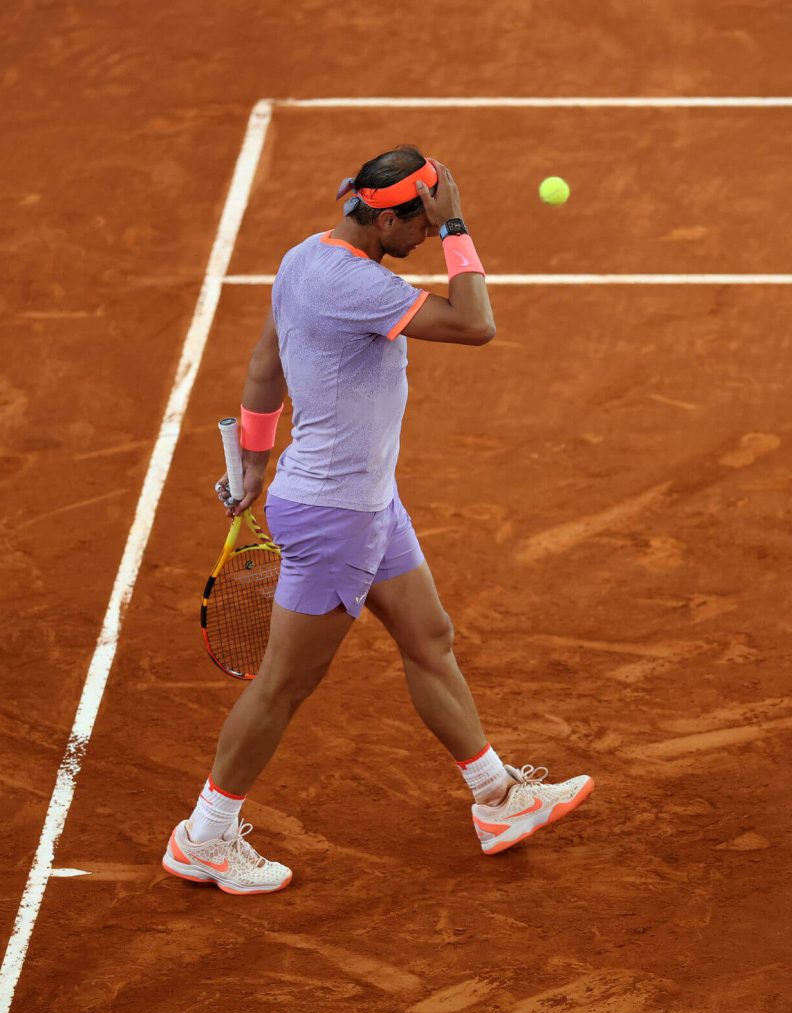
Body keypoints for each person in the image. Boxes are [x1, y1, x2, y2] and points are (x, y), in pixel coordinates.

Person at [162, 147, 594, 895]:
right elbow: (476, 323)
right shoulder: (356, 284)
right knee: (284, 685)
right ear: (386, 220)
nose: (425, 234)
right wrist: (457, 225)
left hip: (367, 502)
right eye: (420, 223)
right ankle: (204, 836)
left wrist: (256, 461)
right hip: (335, 515)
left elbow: (265, 361)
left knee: (429, 638)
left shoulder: (304, 257)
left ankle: (497, 798)